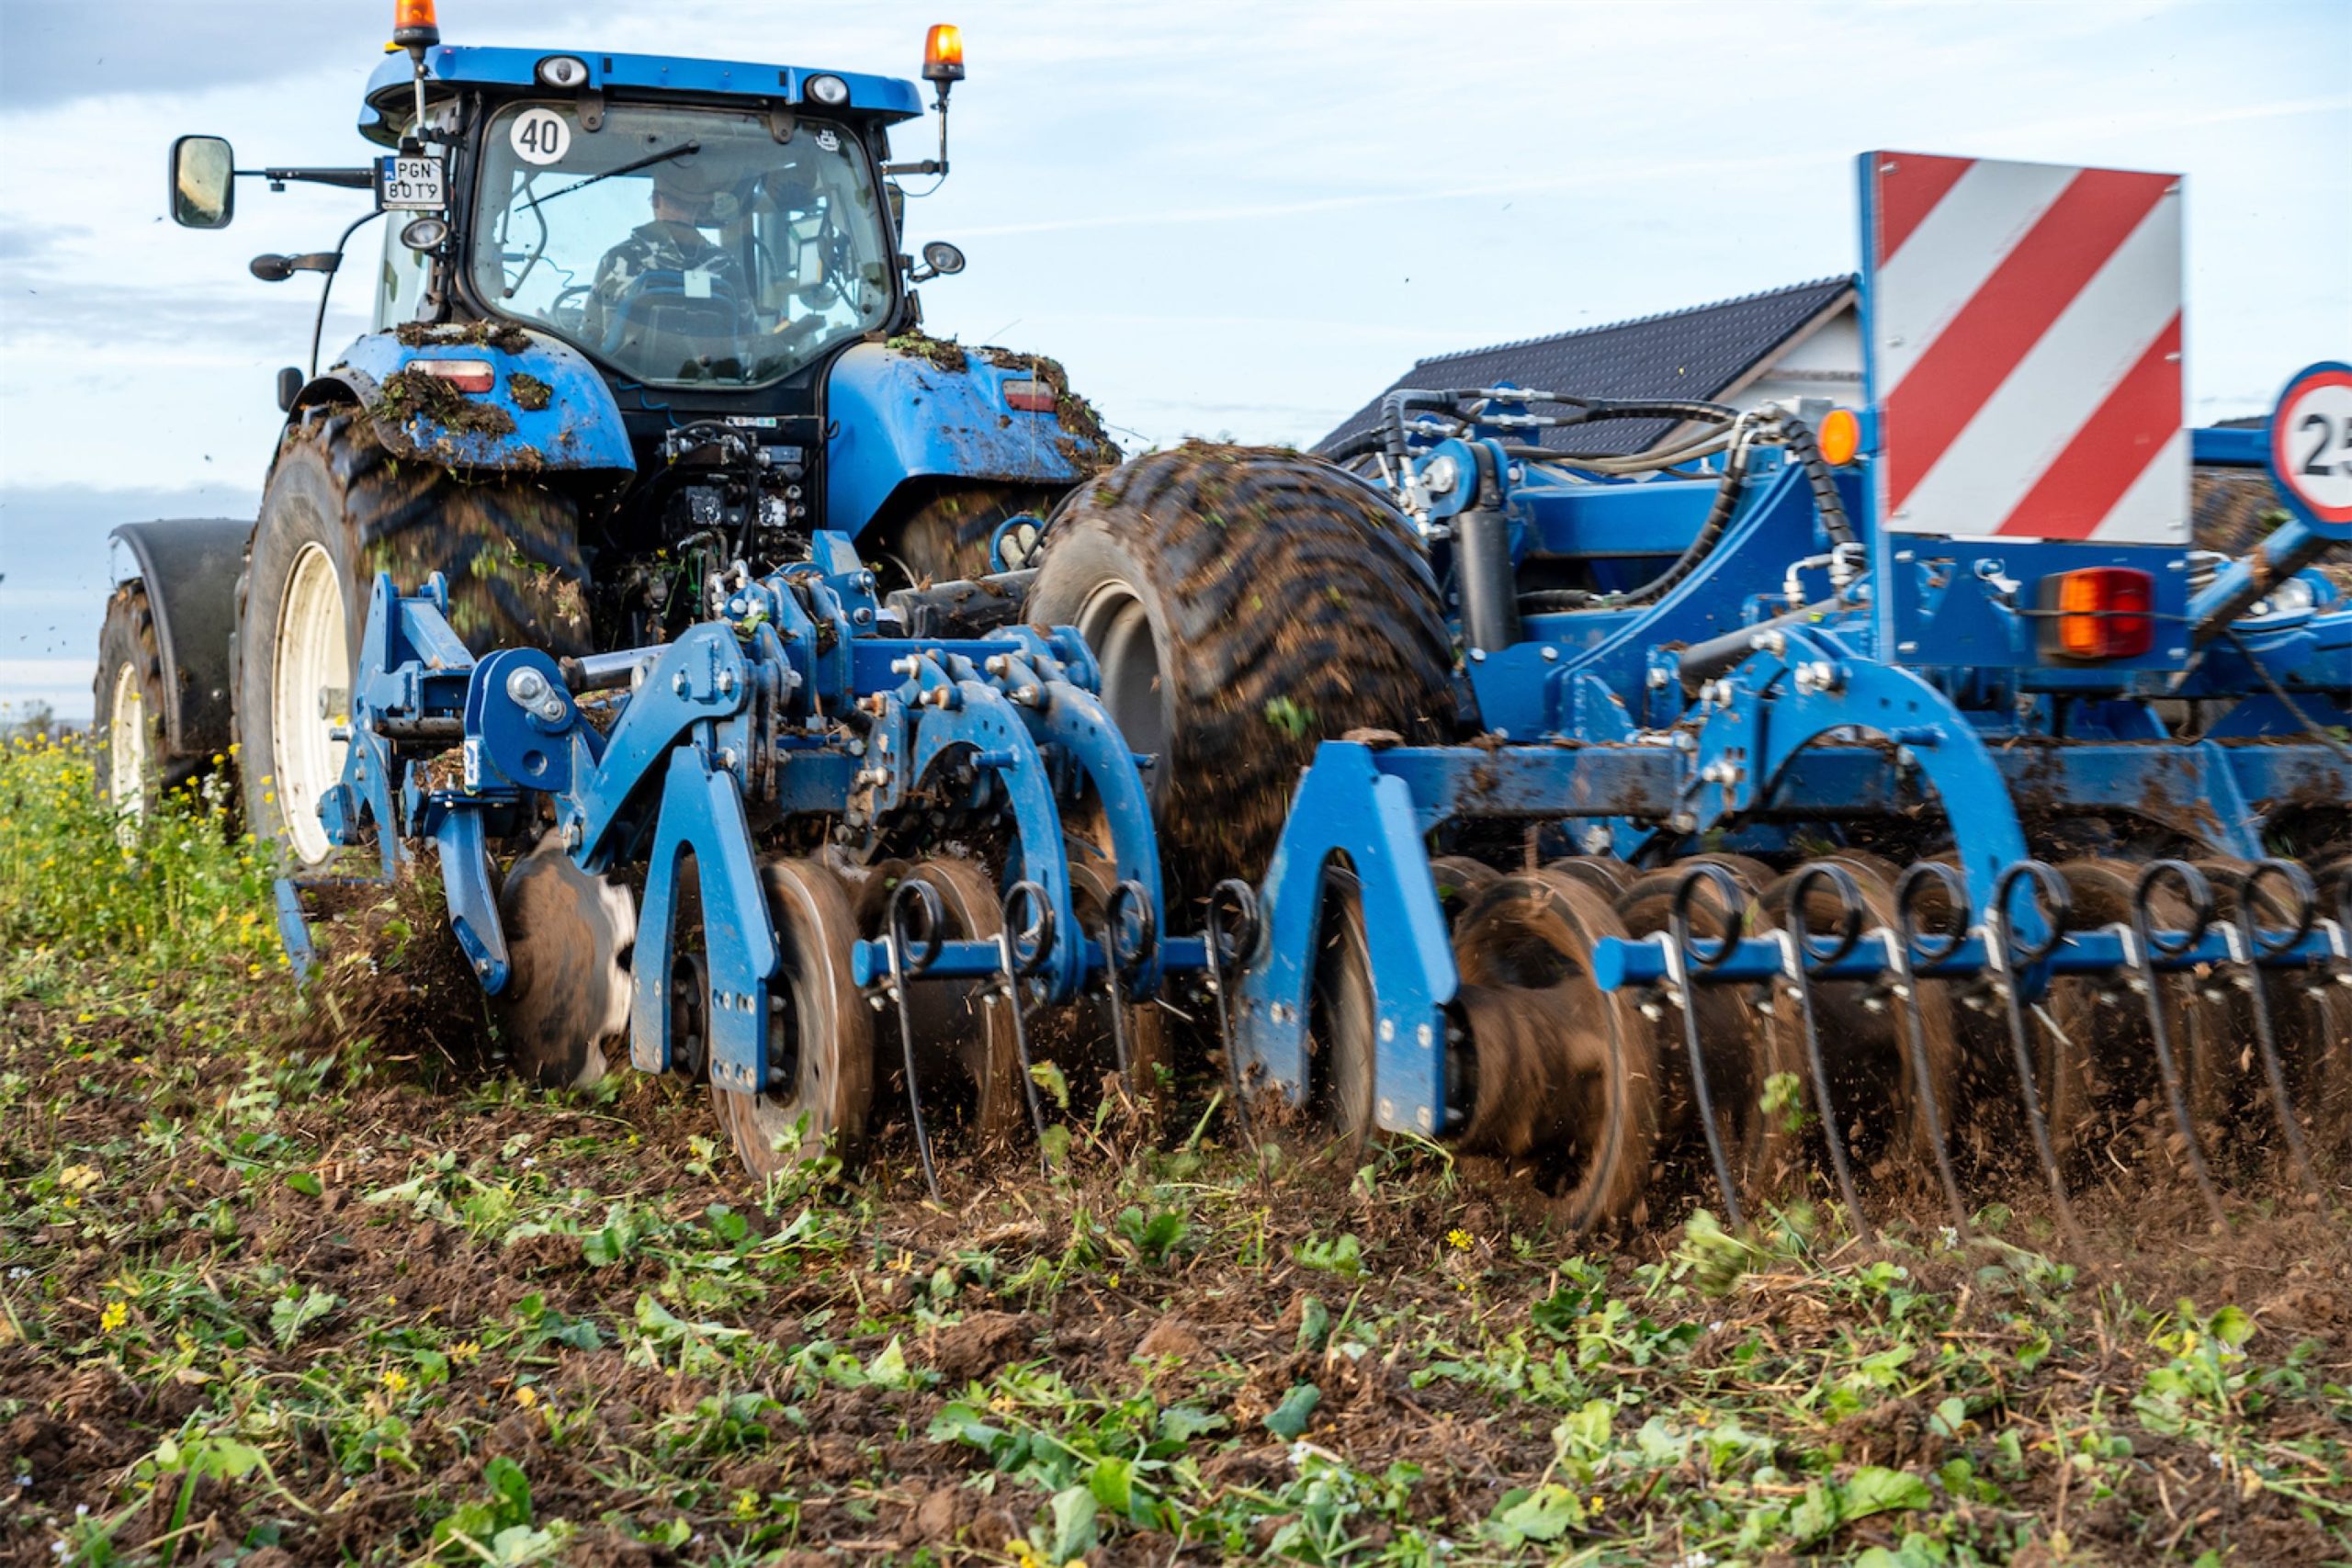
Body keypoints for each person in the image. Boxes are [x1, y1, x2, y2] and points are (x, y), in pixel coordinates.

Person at [579, 159, 750, 351]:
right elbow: (747, 339)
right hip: (709, 377)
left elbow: (589, 339)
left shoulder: (618, 258)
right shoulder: (726, 266)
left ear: (655, 200)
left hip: (622, 379)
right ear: (700, 207)